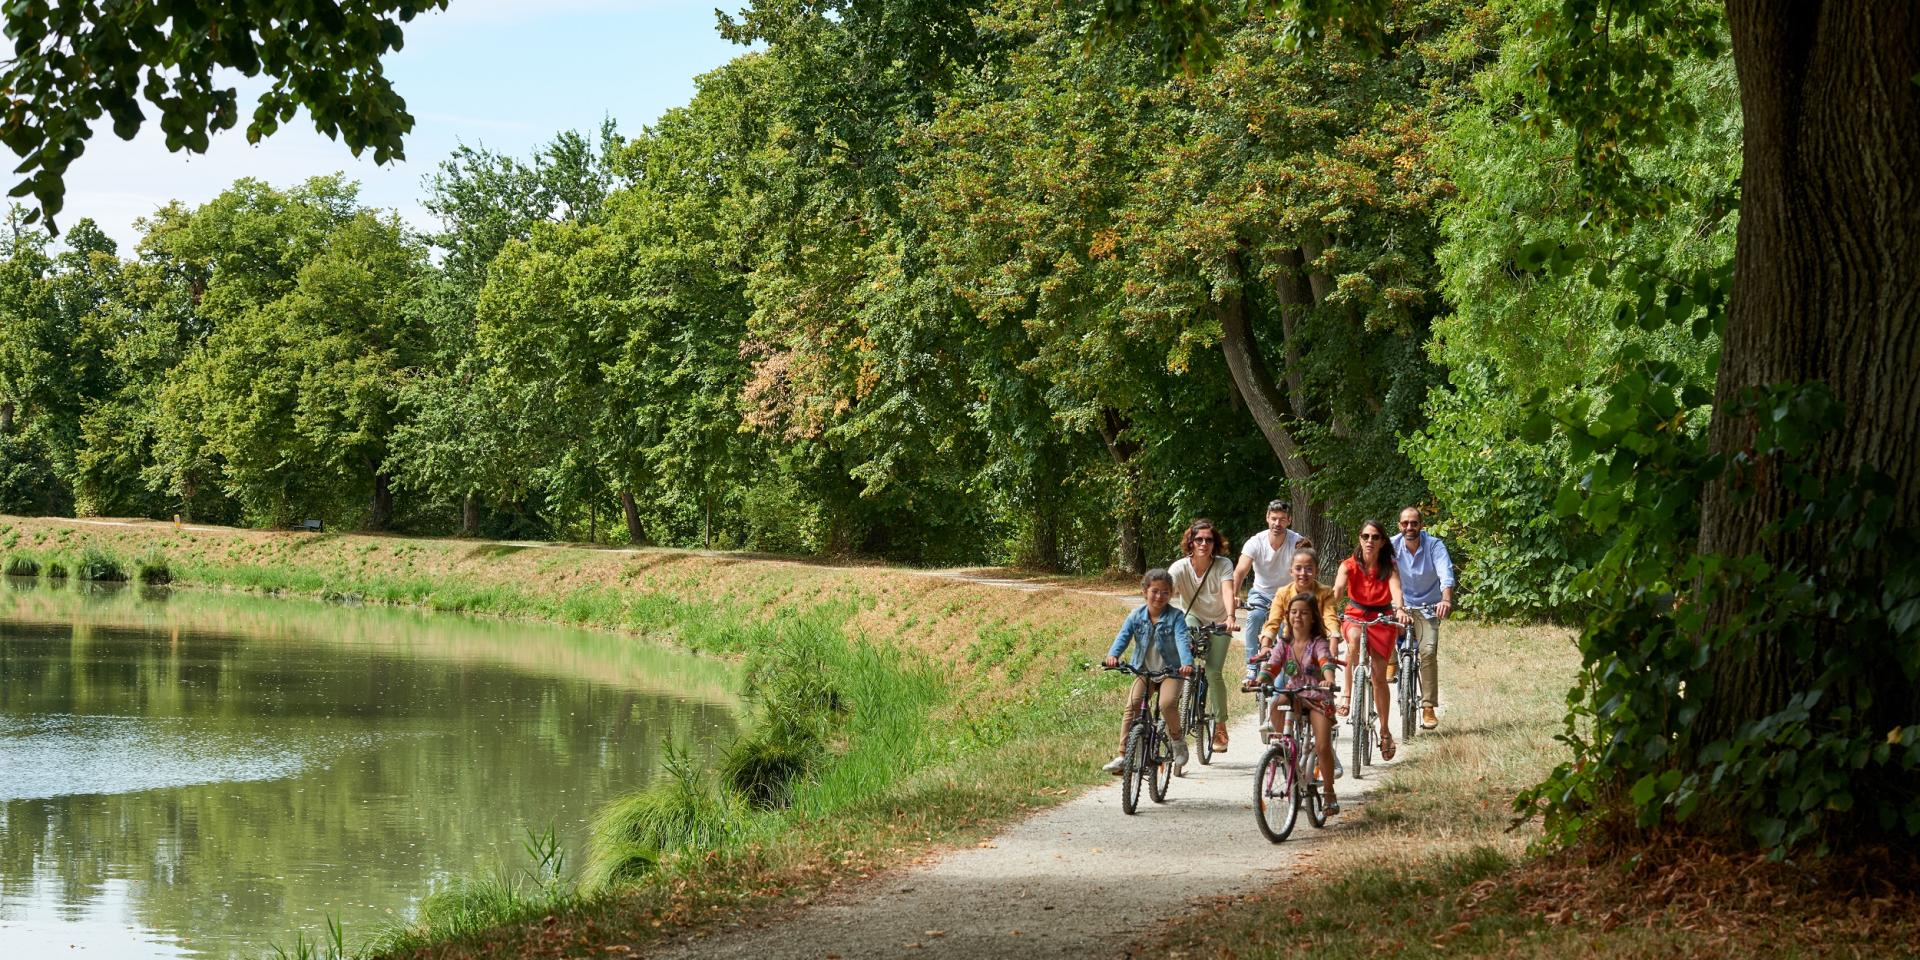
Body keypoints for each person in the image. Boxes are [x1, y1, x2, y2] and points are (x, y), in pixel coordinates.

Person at [1244, 593, 1341, 815]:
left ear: (1313, 617)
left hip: (1318, 697)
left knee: (1322, 746)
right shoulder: (1284, 643)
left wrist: (1329, 680)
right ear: (1287, 616)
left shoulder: (1318, 643)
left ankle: (1329, 793)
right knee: (1276, 703)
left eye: (1304, 612)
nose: (1298, 616)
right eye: (1294, 612)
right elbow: (1272, 667)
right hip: (1294, 693)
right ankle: (1286, 754)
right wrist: (1258, 681)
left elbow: (1326, 662)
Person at [1102, 569, 1195, 776]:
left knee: (1166, 704)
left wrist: (1186, 663)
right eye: (1155, 591)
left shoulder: (1176, 617)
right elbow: (1123, 636)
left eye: (1165, 592)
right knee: (1133, 704)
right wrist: (1113, 655)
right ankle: (1123, 755)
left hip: (1172, 671)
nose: (1159, 596)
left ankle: (1177, 740)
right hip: (1144, 670)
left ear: (1171, 594)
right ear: (1145, 592)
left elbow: (1182, 639)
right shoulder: (1135, 616)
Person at [1332, 519, 1409, 761]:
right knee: (1354, 638)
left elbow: (1396, 590)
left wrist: (1400, 609)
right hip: (1355, 614)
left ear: (1382, 541)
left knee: (1378, 677)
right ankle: (1347, 693)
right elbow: (1337, 591)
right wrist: (1324, 607)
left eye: (1375, 537)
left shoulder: (1389, 566)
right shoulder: (1348, 565)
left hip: (1382, 618)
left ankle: (1385, 731)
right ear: (1360, 538)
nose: (1370, 541)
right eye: (1365, 536)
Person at [1168, 519, 1238, 753]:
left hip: (1220, 620)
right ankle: (1177, 708)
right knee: (1182, 663)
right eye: (1199, 539)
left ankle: (1220, 725)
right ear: (1191, 542)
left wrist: (1230, 617)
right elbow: (1165, 592)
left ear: (1214, 543)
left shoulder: (1223, 564)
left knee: (1213, 671)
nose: (1204, 544)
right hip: (1193, 617)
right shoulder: (1179, 568)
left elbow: (1228, 590)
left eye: (1209, 540)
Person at [1392, 507, 1455, 730]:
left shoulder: (1434, 545)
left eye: (1414, 523)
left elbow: (1445, 574)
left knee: (1428, 652)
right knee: (1380, 628)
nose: (1409, 527)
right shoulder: (1391, 546)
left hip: (1428, 607)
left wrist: (1445, 599)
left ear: (1421, 525)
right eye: (1405, 523)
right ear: (1399, 526)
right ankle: (1392, 661)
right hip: (1399, 605)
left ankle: (1428, 707)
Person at [1233, 499, 1311, 681]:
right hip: (1261, 593)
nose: (1277, 523)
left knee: (1287, 629)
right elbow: (1240, 571)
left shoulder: (1297, 542)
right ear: (1267, 518)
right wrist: (1234, 595)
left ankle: (1285, 671)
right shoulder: (1255, 542)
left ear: (1289, 520)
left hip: (1288, 594)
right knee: (1254, 617)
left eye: (1282, 519)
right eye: (1274, 518)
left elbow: (1306, 570)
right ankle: (1251, 666)